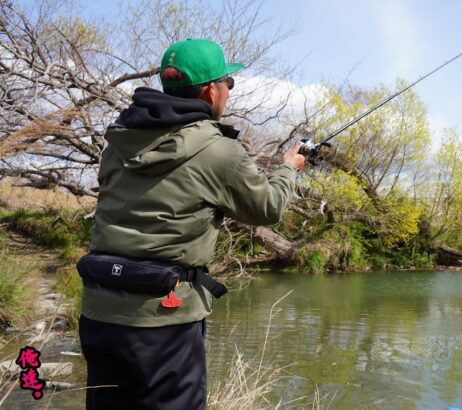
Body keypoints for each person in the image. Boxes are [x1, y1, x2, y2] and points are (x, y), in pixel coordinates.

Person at [78, 38, 305, 410]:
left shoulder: (117, 142)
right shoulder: (218, 150)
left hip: (99, 314)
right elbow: (268, 208)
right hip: (166, 321)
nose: (228, 93)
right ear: (210, 90)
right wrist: (287, 169)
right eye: (227, 84)